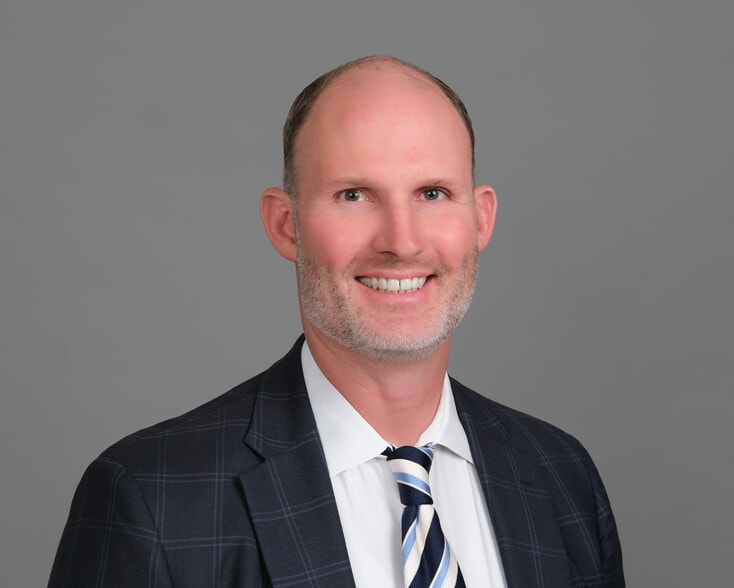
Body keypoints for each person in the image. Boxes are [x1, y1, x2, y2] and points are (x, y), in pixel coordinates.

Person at [49, 56, 625, 587]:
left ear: (480, 219)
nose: (402, 242)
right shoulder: (153, 500)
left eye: (432, 192)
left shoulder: (561, 476)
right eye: (354, 195)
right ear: (285, 225)